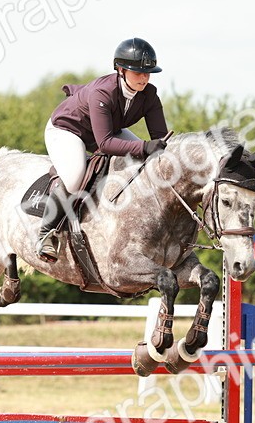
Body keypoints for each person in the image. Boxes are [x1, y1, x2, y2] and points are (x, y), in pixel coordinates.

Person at [37, 37, 170, 261]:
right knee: (75, 178)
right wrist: (144, 146)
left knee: (146, 161)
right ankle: (46, 234)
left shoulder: (149, 95)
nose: (144, 77)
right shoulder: (103, 92)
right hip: (68, 130)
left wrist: (159, 150)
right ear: (121, 70)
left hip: (105, 131)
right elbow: (106, 144)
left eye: (148, 72)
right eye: (138, 72)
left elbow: (160, 139)